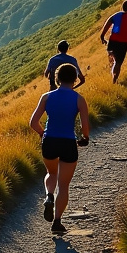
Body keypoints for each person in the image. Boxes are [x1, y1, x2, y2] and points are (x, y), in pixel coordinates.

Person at [29, 63, 91, 235]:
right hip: (68, 142)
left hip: (50, 141)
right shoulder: (79, 99)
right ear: (75, 79)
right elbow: (84, 124)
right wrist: (85, 138)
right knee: (63, 185)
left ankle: (49, 195)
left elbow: (33, 123)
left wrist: (43, 134)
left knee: (51, 173)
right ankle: (57, 222)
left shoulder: (46, 97)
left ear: (56, 78)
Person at [99, 0, 127, 83]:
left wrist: (102, 36)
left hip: (112, 40)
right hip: (123, 42)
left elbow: (107, 24)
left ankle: (112, 68)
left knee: (111, 55)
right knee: (118, 62)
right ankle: (114, 80)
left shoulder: (116, 15)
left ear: (122, 7)